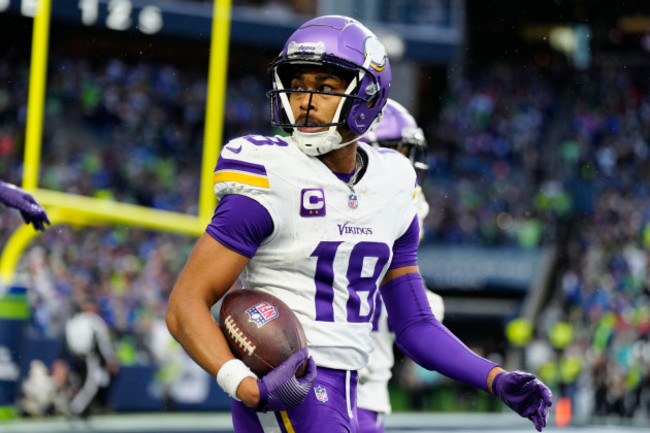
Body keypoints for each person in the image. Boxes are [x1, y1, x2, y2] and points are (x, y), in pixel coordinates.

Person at [166, 15, 552, 433]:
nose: (305, 101)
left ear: (367, 97)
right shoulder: (268, 173)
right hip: (291, 384)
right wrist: (243, 384)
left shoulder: (393, 182)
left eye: (325, 88)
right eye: (298, 85)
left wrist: (495, 379)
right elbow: (185, 303)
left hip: (351, 388)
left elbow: (415, 324)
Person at [357, 99, 445, 433]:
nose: (406, 165)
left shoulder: (401, 206)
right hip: (339, 381)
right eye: (397, 152)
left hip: (363, 389)